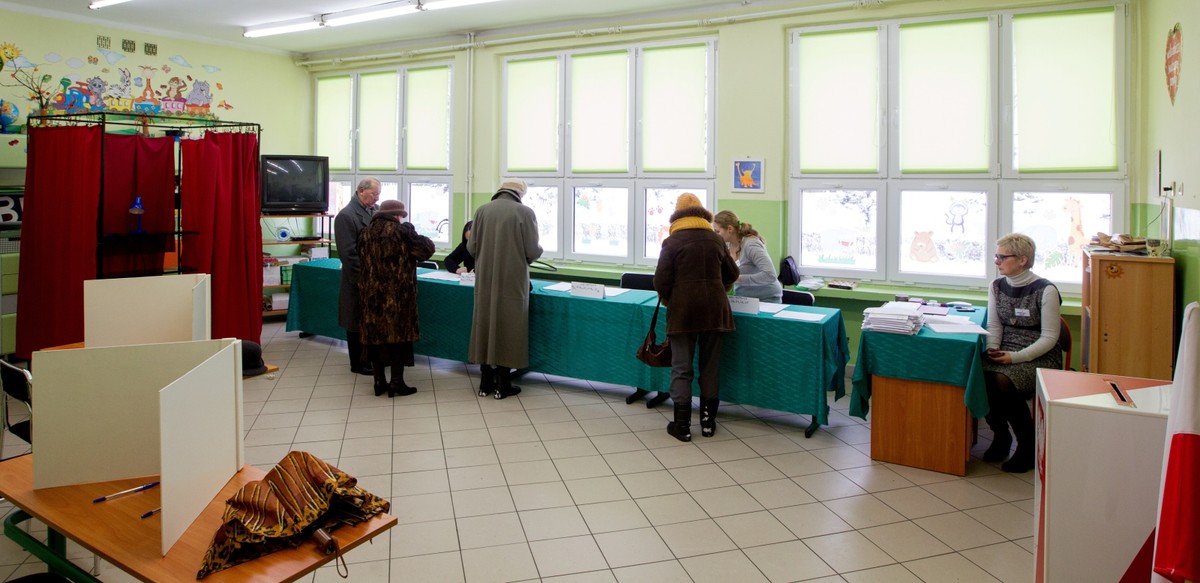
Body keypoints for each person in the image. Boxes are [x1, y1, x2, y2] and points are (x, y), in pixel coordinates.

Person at [654, 193, 739, 441]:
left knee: (682, 368)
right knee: (710, 368)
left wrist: (672, 299)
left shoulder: (672, 242)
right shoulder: (715, 240)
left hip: (683, 313)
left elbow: (661, 281)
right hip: (715, 312)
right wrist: (718, 288)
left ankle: (682, 426)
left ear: (677, 216)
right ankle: (708, 424)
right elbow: (732, 274)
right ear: (703, 214)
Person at [982, 233, 1062, 473]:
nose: (996, 261)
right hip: (1006, 347)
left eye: (1002, 257)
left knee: (1002, 381)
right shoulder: (996, 286)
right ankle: (1001, 435)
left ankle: (1026, 446)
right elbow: (994, 324)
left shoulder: (1046, 290)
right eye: (996, 256)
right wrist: (993, 347)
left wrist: (1015, 357)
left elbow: (1049, 338)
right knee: (979, 375)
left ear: (1022, 260)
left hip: (1039, 354)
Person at [467, 179, 543, 399]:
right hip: (513, 279)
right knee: (510, 327)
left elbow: (471, 247)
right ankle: (503, 383)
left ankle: (485, 383)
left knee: (484, 324)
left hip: (485, 278)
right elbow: (532, 250)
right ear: (520, 193)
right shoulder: (524, 212)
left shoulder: (481, 211)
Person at [357, 200, 435, 397]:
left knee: (375, 338)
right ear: (397, 215)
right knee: (397, 338)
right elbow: (426, 251)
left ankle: (379, 381)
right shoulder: (401, 231)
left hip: (371, 297)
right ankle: (397, 382)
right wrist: (410, 230)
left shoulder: (365, 232)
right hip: (397, 297)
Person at [335, 177, 381, 375]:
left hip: (374, 277)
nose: (376, 198)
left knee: (370, 322)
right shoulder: (346, 216)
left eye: (378, 194)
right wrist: (364, 279)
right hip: (357, 280)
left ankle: (370, 359)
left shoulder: (376, 211)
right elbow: (348, 254)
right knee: (355, 322)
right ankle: (358, 363)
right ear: (361, 191)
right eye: (374, 194)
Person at [712, 210, 783, 303]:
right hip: (744, 299)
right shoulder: (726, 246)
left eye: (717, 231)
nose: (715, 235)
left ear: (729, 229)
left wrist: (737, 279)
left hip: (767, 298)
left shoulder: (751, 244)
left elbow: (770, 275)